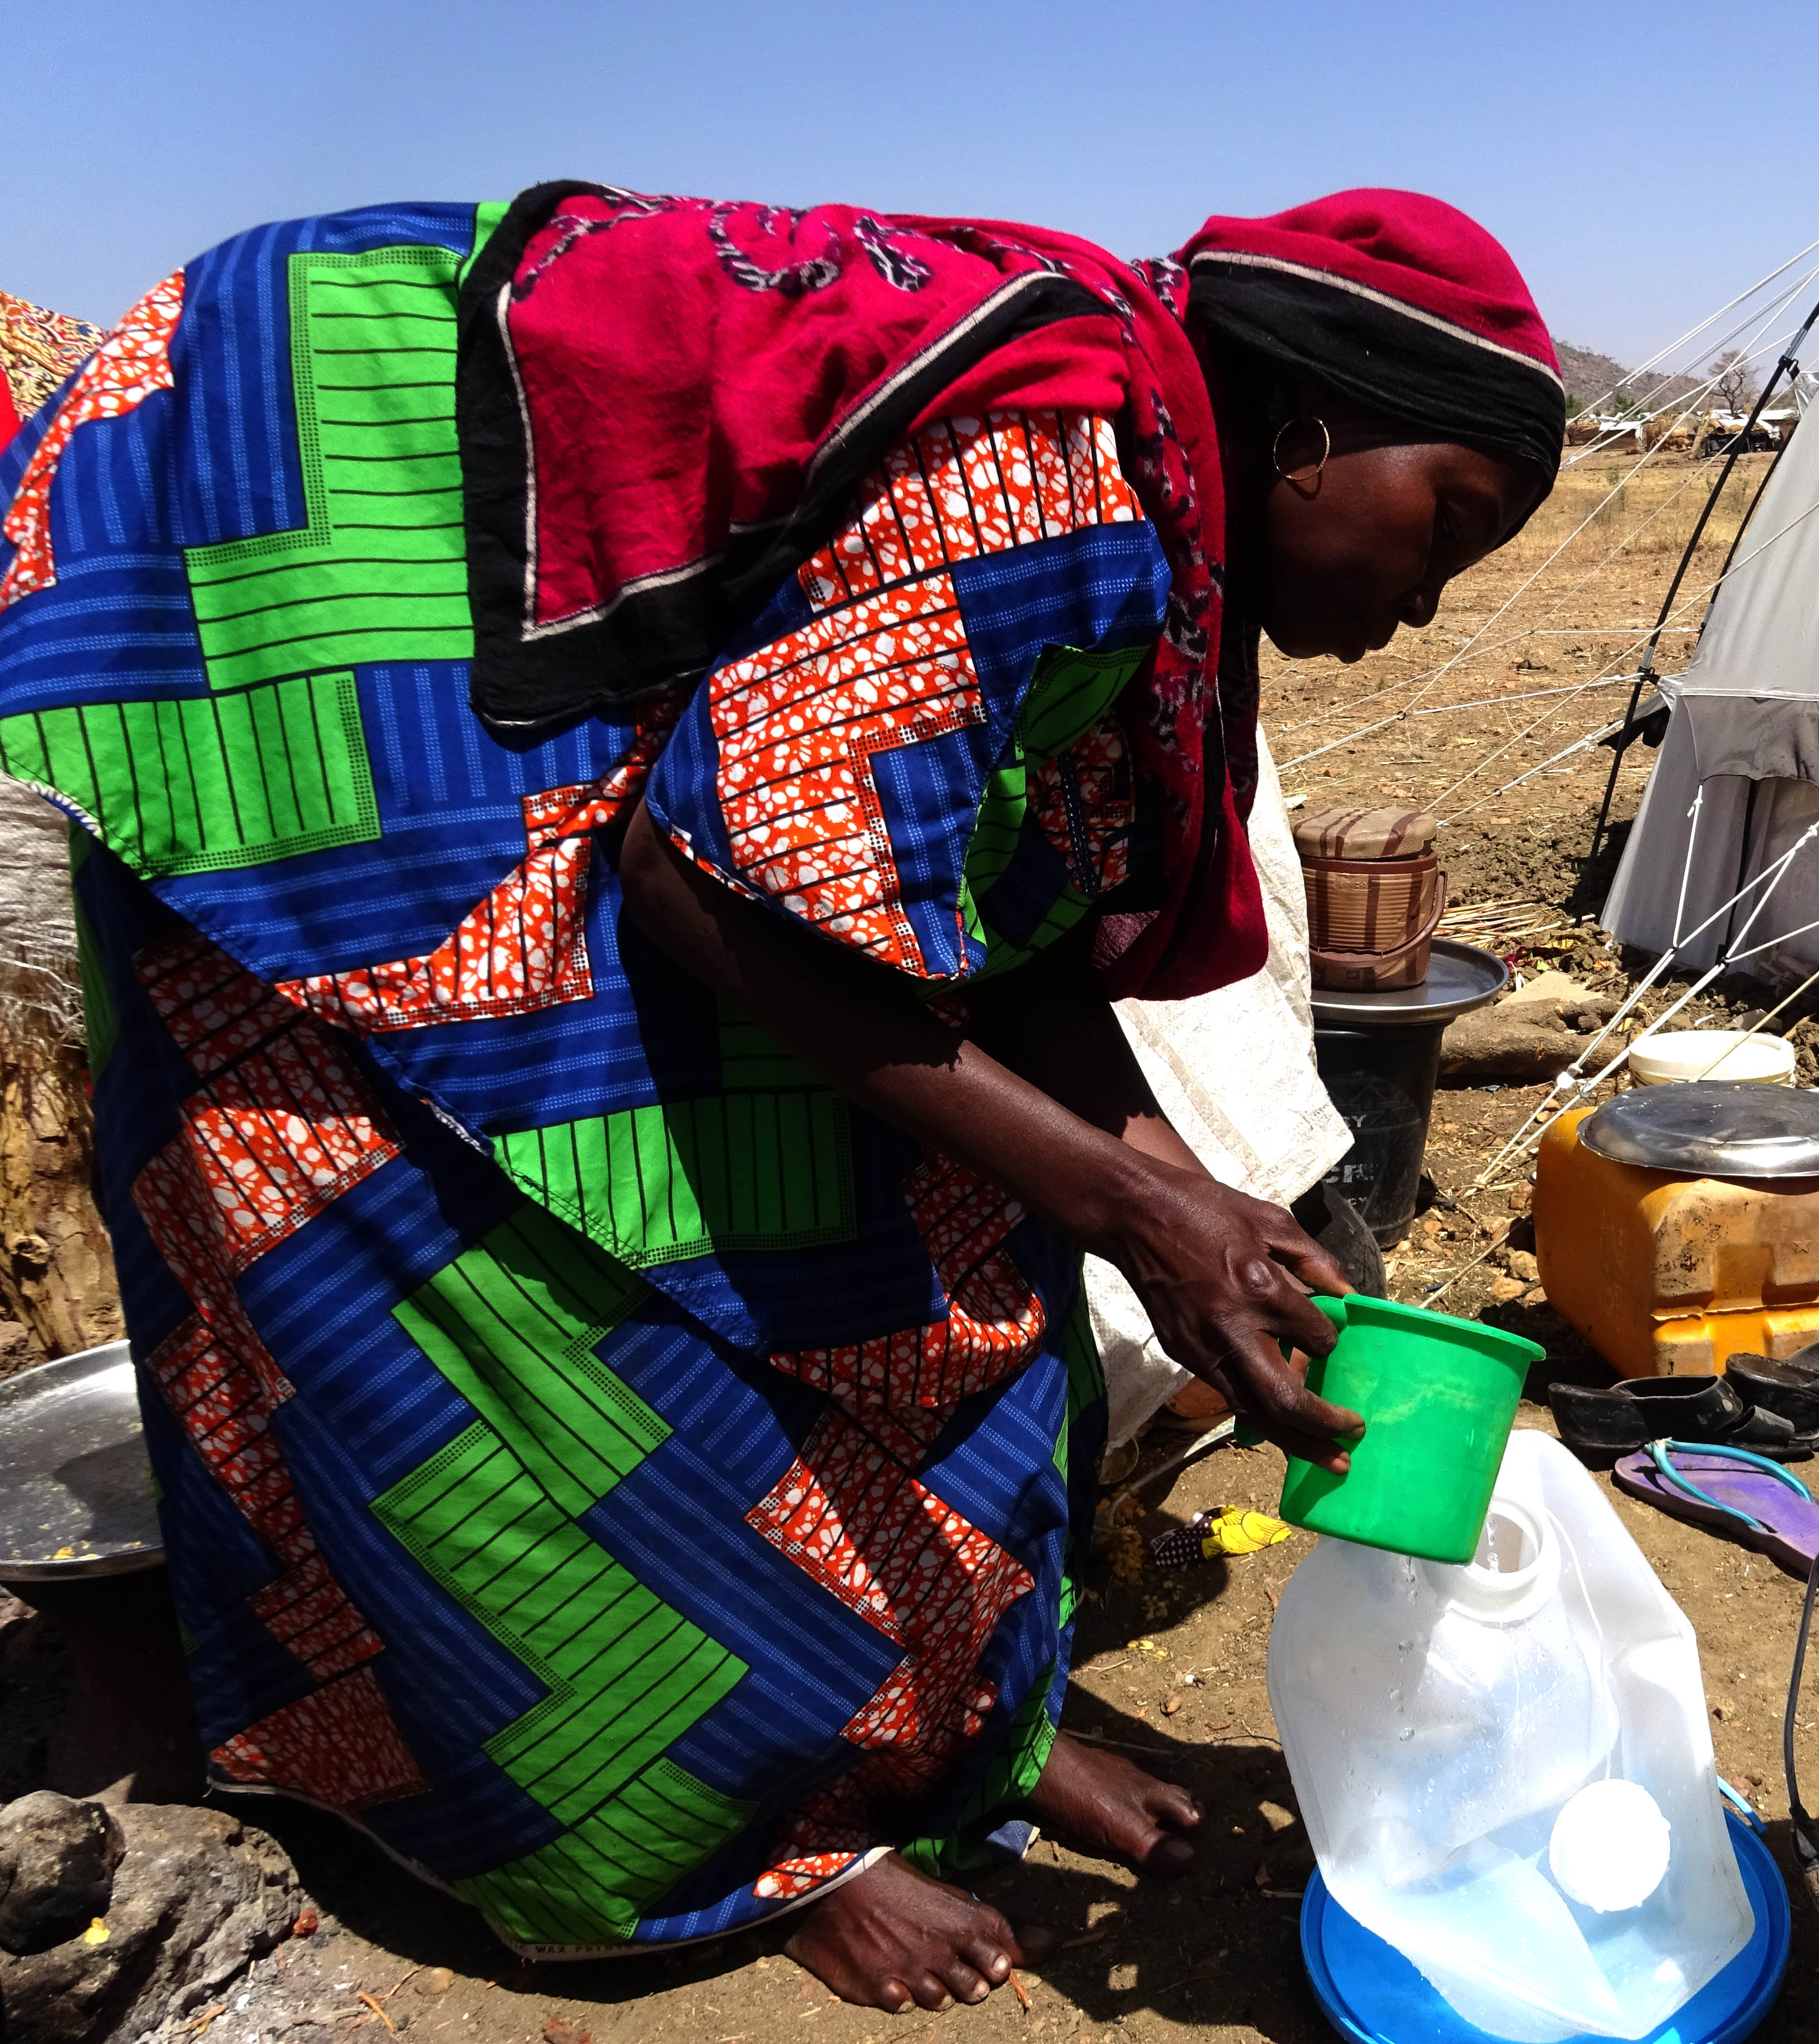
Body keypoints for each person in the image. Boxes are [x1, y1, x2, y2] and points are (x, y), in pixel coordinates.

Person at [0, 185, 1563, 2009]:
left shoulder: (1160, 527)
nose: (1426, 598)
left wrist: (1196, 1200)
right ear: (1311, 424)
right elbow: (708, 881)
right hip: (291, 685)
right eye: (1443, 520)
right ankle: (727, 1857)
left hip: (629, 778)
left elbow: (1012, 919)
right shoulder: (1062, 483)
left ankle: (953, 1733)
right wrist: (1142, 1212)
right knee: (473, 1300)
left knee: (953, 1250)